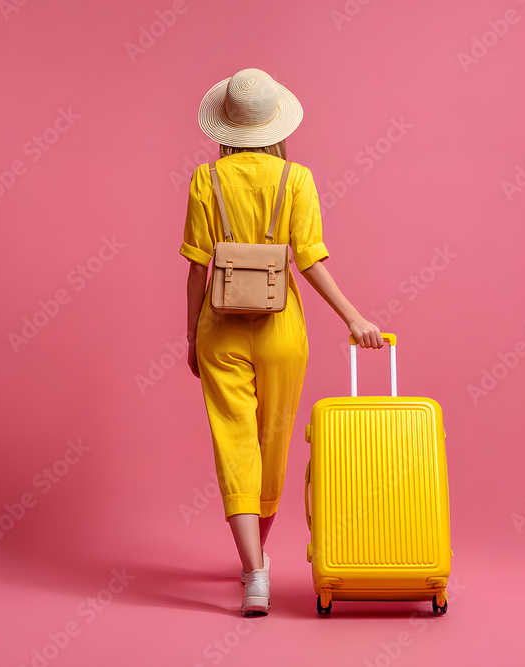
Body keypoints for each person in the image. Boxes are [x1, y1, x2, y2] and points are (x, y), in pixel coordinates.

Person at [181, 67, 383, 617]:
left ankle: (254, 572)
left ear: (225, 127)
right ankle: (258, 562)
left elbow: (198, 269)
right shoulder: (297, 180)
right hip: (280, 332)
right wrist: (353, 317)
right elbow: (310, 258)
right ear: (276, 124)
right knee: (272, 446)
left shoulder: (207, 179)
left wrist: (189, 333)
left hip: (218, 330)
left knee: (233, 445)